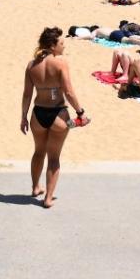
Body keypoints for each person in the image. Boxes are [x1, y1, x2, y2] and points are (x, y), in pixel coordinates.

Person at [20, 27, 90, 209]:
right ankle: (48, 198)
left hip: (37, 114)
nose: (64, 46)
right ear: (52, 46)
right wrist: (81, 112)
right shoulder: (60, 64)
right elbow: (68, 91)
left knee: (38, 152)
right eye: (61, 43)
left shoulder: (31, 65)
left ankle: (36, 187)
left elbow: (27, 94)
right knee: (54, 158)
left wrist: (23, 117)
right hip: (58, 114)